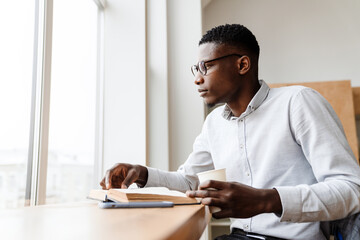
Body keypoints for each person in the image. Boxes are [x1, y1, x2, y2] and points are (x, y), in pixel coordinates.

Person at [100, 24, 360, 239]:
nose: (197, 78)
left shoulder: (298, 102)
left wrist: (266, 200)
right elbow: (190, 181)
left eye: (206, 66)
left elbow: (351, 189)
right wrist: (143, 173)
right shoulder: (214, 123)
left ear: (243, 65)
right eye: (195, 69)